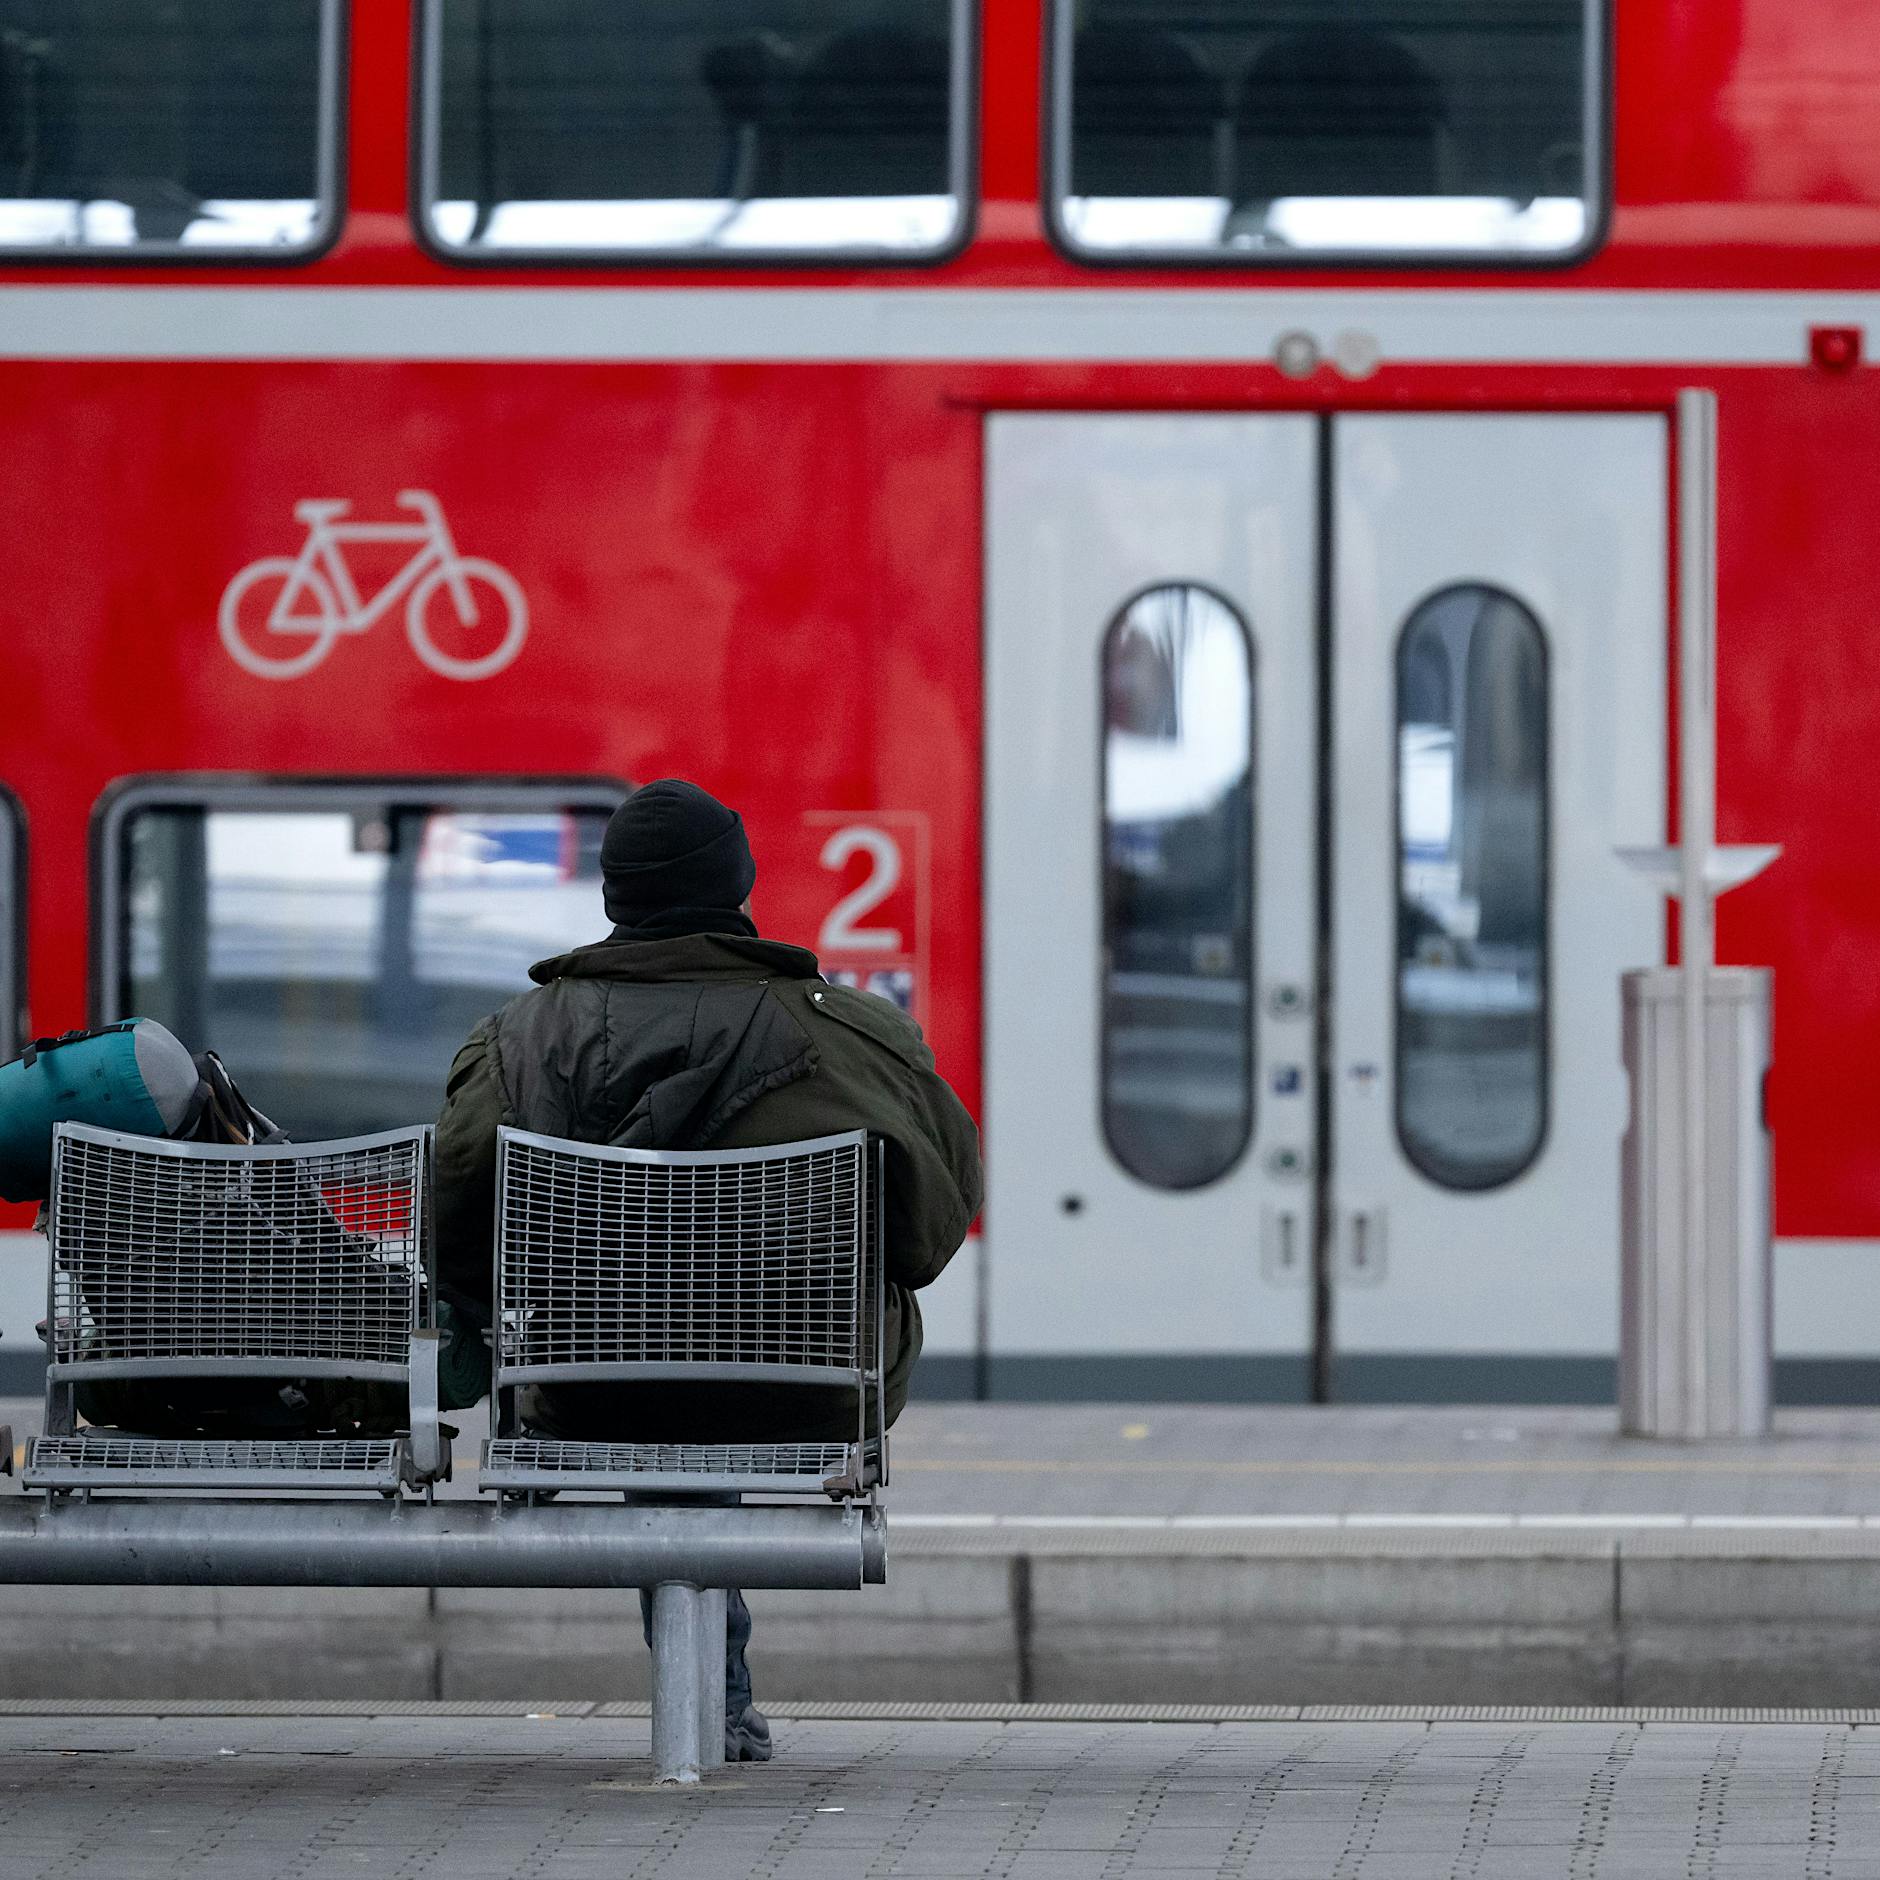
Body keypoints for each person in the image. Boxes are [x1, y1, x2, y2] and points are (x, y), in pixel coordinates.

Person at [433, 779, 982, 1762]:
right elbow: (930, 1235)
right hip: (804, 1389)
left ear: (615, 897)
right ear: (736, 884)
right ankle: (714, 1704)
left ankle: (713, 1702)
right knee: (713, 1358)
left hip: (583, 1388)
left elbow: (457, 1231)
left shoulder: (514, 1040)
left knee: (652, 1365)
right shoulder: (855, 1034)